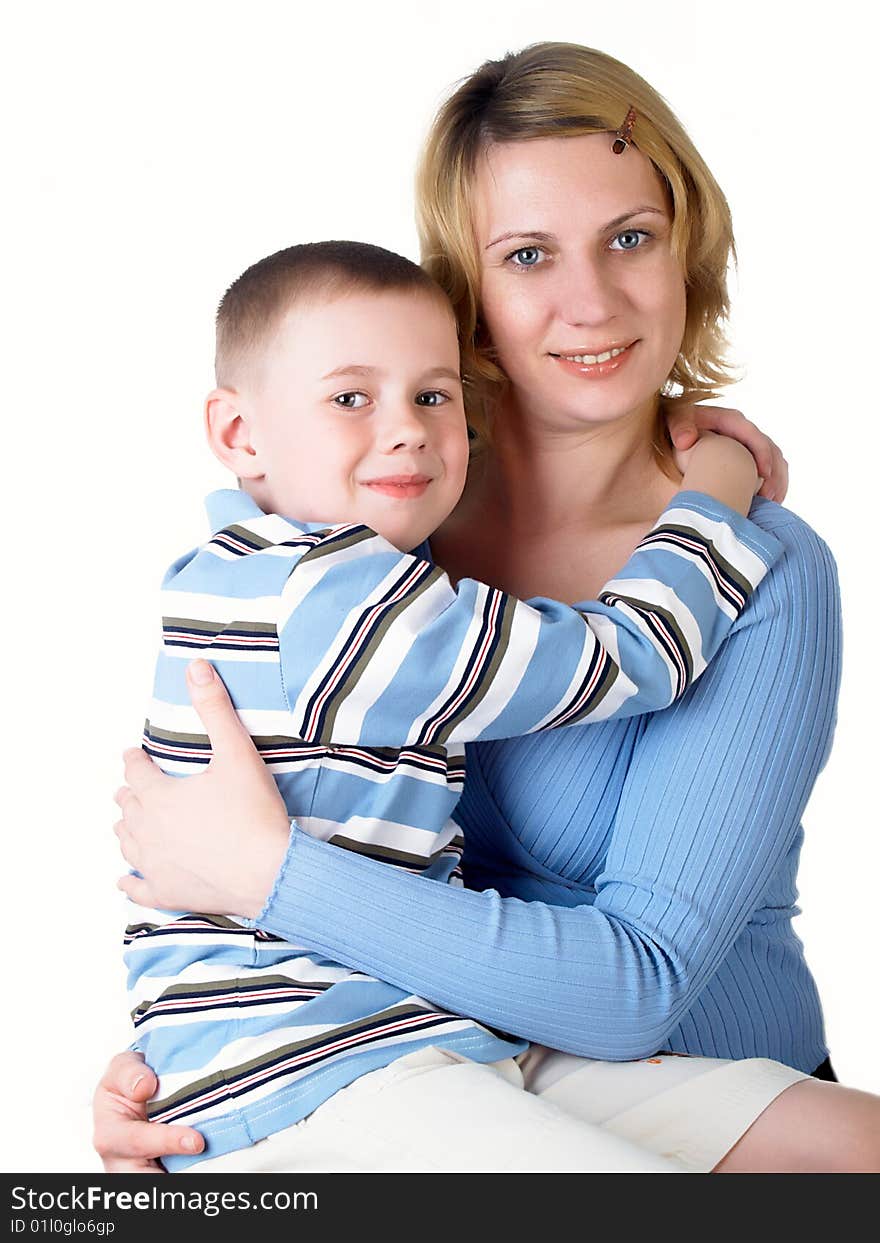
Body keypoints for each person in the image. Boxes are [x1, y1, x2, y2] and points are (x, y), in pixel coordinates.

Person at [100, 43, 880, 1173]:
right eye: (526, 255)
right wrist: (179, 1068)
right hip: (424, 1072)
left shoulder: (761, 565)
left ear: (686, 248)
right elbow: (241, 877)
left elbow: (634, 995)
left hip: (673, 1070)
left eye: (631, 237)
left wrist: (269, 876)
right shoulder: (380, 541)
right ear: (464, 291)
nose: (591, 300)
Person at [127, 237, 777, 1174]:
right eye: (351, 398)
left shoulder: (227, 570)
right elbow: (634, 656)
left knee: (838, 1142)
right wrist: (718, 484)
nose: (406, 429)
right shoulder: (350, 599)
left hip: (384, 1033)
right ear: (239, 433)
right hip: (315, 1071)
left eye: (434, 396)